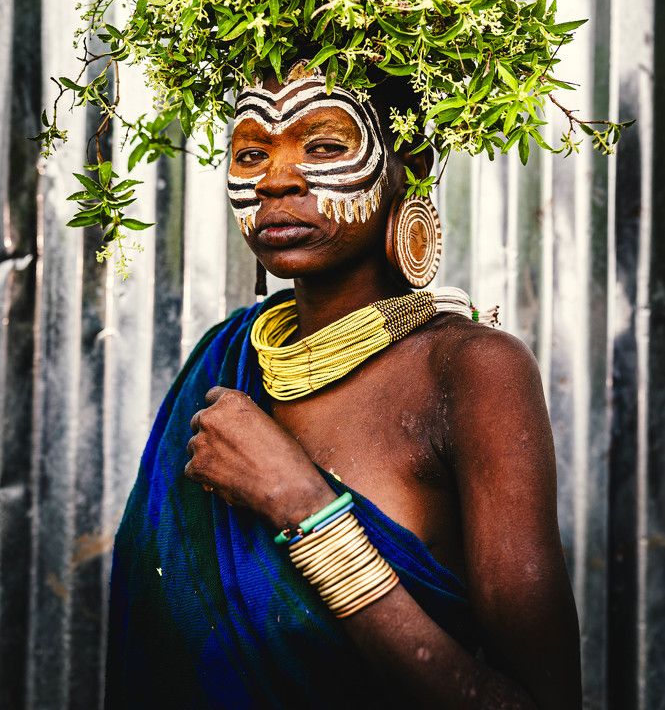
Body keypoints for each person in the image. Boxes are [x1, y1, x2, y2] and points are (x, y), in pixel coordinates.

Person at [105, 64, 582, 709]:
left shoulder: (471, 372)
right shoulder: (221, 362)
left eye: (325, 145)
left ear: (404, 169)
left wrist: (300, 504)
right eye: (252, 152)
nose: (277, 179)